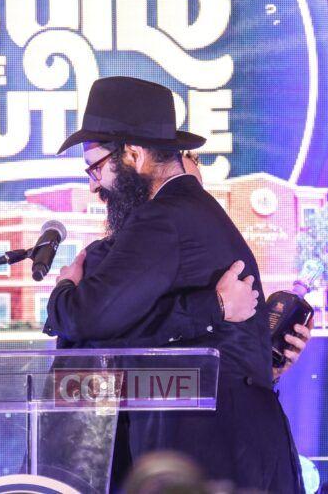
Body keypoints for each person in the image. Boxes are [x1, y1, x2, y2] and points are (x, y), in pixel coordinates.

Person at [44, 76, 305, 492]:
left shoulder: (162, 217)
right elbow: (125, 332)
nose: (93, 186)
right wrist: (213, 308)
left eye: (95, 168)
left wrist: (64, 289)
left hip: (210, 450)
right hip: (238, 447)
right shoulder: (192, 212)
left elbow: (86, 318)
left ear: (133, 155)